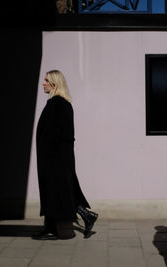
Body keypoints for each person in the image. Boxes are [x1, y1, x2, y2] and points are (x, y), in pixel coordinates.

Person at [33, 69, 98, 240]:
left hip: (55, 158)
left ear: (54, 83)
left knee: (57, 191)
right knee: (58, 191)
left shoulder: (58, 104)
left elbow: (63, 135)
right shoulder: (58, 103)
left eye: (46, 80)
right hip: (56, 157)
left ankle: (54, 229)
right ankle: (83, 217)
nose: (43, 83)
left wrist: (54, 157)